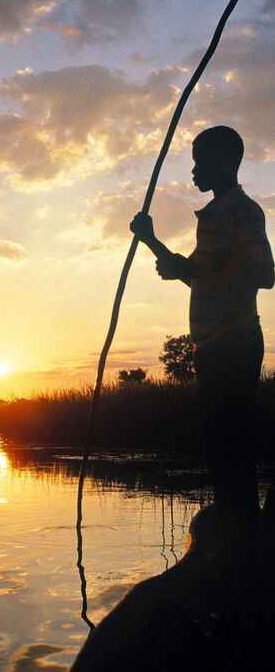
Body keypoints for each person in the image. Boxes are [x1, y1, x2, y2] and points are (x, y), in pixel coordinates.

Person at [130, 126, 274, 548]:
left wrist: (190, 270)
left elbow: (264, 275)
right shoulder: (213, 219)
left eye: (200, 161)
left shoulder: (242, 212)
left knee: (230, 443)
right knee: (218, 443)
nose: (193, 171)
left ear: (225, 162)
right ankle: (234, 523)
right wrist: (151, 241)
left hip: (235, 344)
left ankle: (241, 532)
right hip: (213, 347)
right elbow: (199, 279)